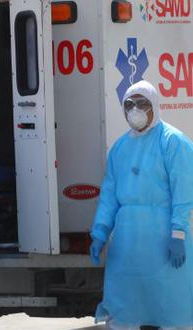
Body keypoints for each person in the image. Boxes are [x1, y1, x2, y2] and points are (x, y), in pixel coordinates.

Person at [90, 80, 193, 330]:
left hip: (163, 241)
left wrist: (178, 232)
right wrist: (100, 232)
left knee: (169, 306)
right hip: (127, 243)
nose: (135, 110)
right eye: (129, 105)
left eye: (142, 104)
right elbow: (110, 196)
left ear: (154, 106)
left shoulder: (173, 142)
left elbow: (184, 192)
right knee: (125, 308)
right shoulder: (120, 148)